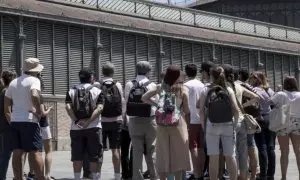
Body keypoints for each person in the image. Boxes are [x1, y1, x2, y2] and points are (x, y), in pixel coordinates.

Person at [142, 65, 191, 180]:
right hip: (178, 125)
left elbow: (144, 98)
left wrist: (157, 105)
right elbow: (187, 111)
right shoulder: (183, 89)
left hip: (161, 124)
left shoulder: (160, 87)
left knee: (163, 154)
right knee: (178, 156)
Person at [4, 58, 45, 180]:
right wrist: (38, 111)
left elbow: (6, 107)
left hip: (15, 121)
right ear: (35, 71)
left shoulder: (13, 82)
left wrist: (11, 120)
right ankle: (40, 178)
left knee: (17, 151)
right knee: (35, 152)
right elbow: (34, 95)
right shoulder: (35, 80)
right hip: (29, 121)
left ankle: (18, 178)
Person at [198, 66, 239, 180]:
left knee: (213, 157)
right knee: (230, 156)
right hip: (228, 125)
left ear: (211, 76)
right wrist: (234, 125)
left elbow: (201, 112)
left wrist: (203, 126)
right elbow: (236, 110)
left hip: (212, 125)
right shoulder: (228, 90)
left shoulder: (206, 90)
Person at [65, 68, 104, 180]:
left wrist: (76, 121)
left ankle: (77, 178)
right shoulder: (97, 91)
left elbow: (68, 107)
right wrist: (88, 122)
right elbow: (100, 108)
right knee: (94, 156)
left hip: (76, 128)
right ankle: (94, 178)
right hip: (94, 128)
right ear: (91, 77)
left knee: (77, 156)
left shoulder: (71, 91)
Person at [223, 65, 260, 180]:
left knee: (232, 152)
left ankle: (235, 175)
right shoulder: (239, 86)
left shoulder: (225, 87)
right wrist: (243, 105)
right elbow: (256, 97)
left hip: (231, 121)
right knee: (243, 151)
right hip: (242, 121)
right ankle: (243, 176)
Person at [124, 61, 158, 180]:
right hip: (150, 120)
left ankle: (137, 177)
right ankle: (154, 176)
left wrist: (126, 119)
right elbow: (156, 103)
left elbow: (126, 102)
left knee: (136, 151)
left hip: (134, 121)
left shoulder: (129, 84)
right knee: (151, 150)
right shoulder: (152, 85)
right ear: (148, 71)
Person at [270, 76, 300, 180]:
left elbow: (270, 102)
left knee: (284, 151)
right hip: (297, 123)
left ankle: (283, 177)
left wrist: (277, 91)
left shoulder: (280, 94)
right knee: (298, 151)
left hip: (283, 122)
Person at [98, 62, 124, 180]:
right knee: (116, 149)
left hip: (101, 121)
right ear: (113, 72)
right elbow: (122, 101)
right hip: (116, 121)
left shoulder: (98, 85)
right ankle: (117, 176)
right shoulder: (118, 85)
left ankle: (97, 175)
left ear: (102, 72)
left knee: (100, 150)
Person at [249, 71, 276, 180]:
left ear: (257, 79)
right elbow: (274, 105)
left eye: (253, 77)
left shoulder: (253, 90)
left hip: (259, 119)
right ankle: (271, 174)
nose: (251, 79)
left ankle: (263, 174)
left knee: (262, 147)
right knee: (270, 147)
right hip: (269, 118)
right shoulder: (270, 90)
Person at [237, 68, 259, 180]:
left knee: (241, 149)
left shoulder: (237, 85)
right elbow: (259, 97)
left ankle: (241, 175)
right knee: (251, 146)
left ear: (239, 75)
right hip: (250, 119)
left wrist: (242, 107)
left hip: (242, 119)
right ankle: (254, 175)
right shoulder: (249, 87)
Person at [184, 64, 205, 180]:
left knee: (193, 146)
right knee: (201, 146)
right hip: (202, 118)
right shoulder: (202, 85)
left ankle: (196, 172)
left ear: (186, 73)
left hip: (191, 119)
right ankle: (201, 171)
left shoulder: (186, 86)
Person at [0, 69, 17, 180]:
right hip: (6, 127)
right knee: (5, 155)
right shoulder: (7, 92)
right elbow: (7, 111)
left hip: (2, 126)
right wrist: (13, 125)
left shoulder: (2, 91)